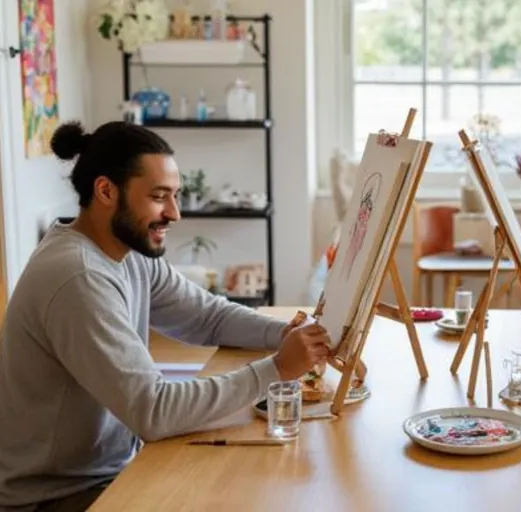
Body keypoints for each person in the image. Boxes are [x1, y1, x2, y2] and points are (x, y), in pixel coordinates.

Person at [0, 121, 330, 511]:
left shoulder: (127, 251)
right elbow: (154, 411)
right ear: (105, 191)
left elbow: (208, 317)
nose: (174, 213)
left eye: (175, 196)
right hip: (56, 497)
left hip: (111, 469)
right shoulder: (79, 277)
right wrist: (276, 369)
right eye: (159, 197)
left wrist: (287, 337)